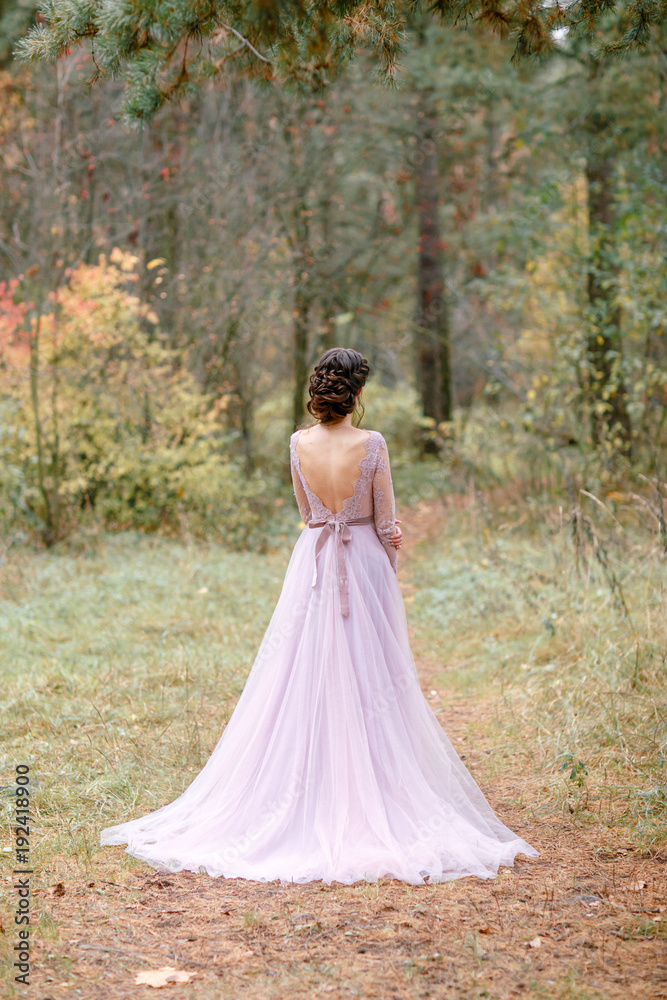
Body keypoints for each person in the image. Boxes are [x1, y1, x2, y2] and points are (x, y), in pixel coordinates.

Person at [100, 347, 538, 884]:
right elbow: (384, 523)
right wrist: (391, 554)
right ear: (357, 392)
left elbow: (308, 515)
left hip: (312, 562)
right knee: (372, 673)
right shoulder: (372, 444)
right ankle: (370, 784)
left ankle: (309, 778)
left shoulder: (297, 443)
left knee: (303, 668)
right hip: (363, 564)